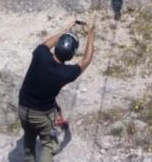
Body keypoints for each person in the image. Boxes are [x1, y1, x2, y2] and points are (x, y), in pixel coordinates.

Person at [18, 14, 96, 162]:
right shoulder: (66, 73)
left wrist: (66, 29)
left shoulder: (40, 54)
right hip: (41, 115)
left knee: (29, 138)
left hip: (22, 109)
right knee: (47, 144)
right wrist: (90, 33)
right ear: (71, 55)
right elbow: (87, 59)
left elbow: (47, 44)